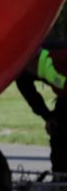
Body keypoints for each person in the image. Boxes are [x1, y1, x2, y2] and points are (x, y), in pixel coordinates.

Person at [15, 44, 67, 176]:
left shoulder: (55, 63)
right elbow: (24, 83)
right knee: (58, 132)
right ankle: (60, 177)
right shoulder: (43, 66)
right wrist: (48, 116)